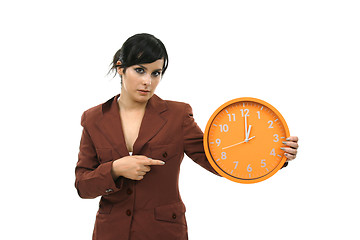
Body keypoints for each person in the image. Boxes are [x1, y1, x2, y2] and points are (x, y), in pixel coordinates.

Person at [75, 33, 299, 240]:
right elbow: (82, 186)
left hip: (163, 232)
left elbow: (218, 160)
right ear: (121, 68)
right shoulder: (94, 118)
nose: (148, 81)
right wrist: (115, 169)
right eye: (140, 70)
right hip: (111, 232)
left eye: (156, 73)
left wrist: (277, 157)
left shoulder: (177, 115)